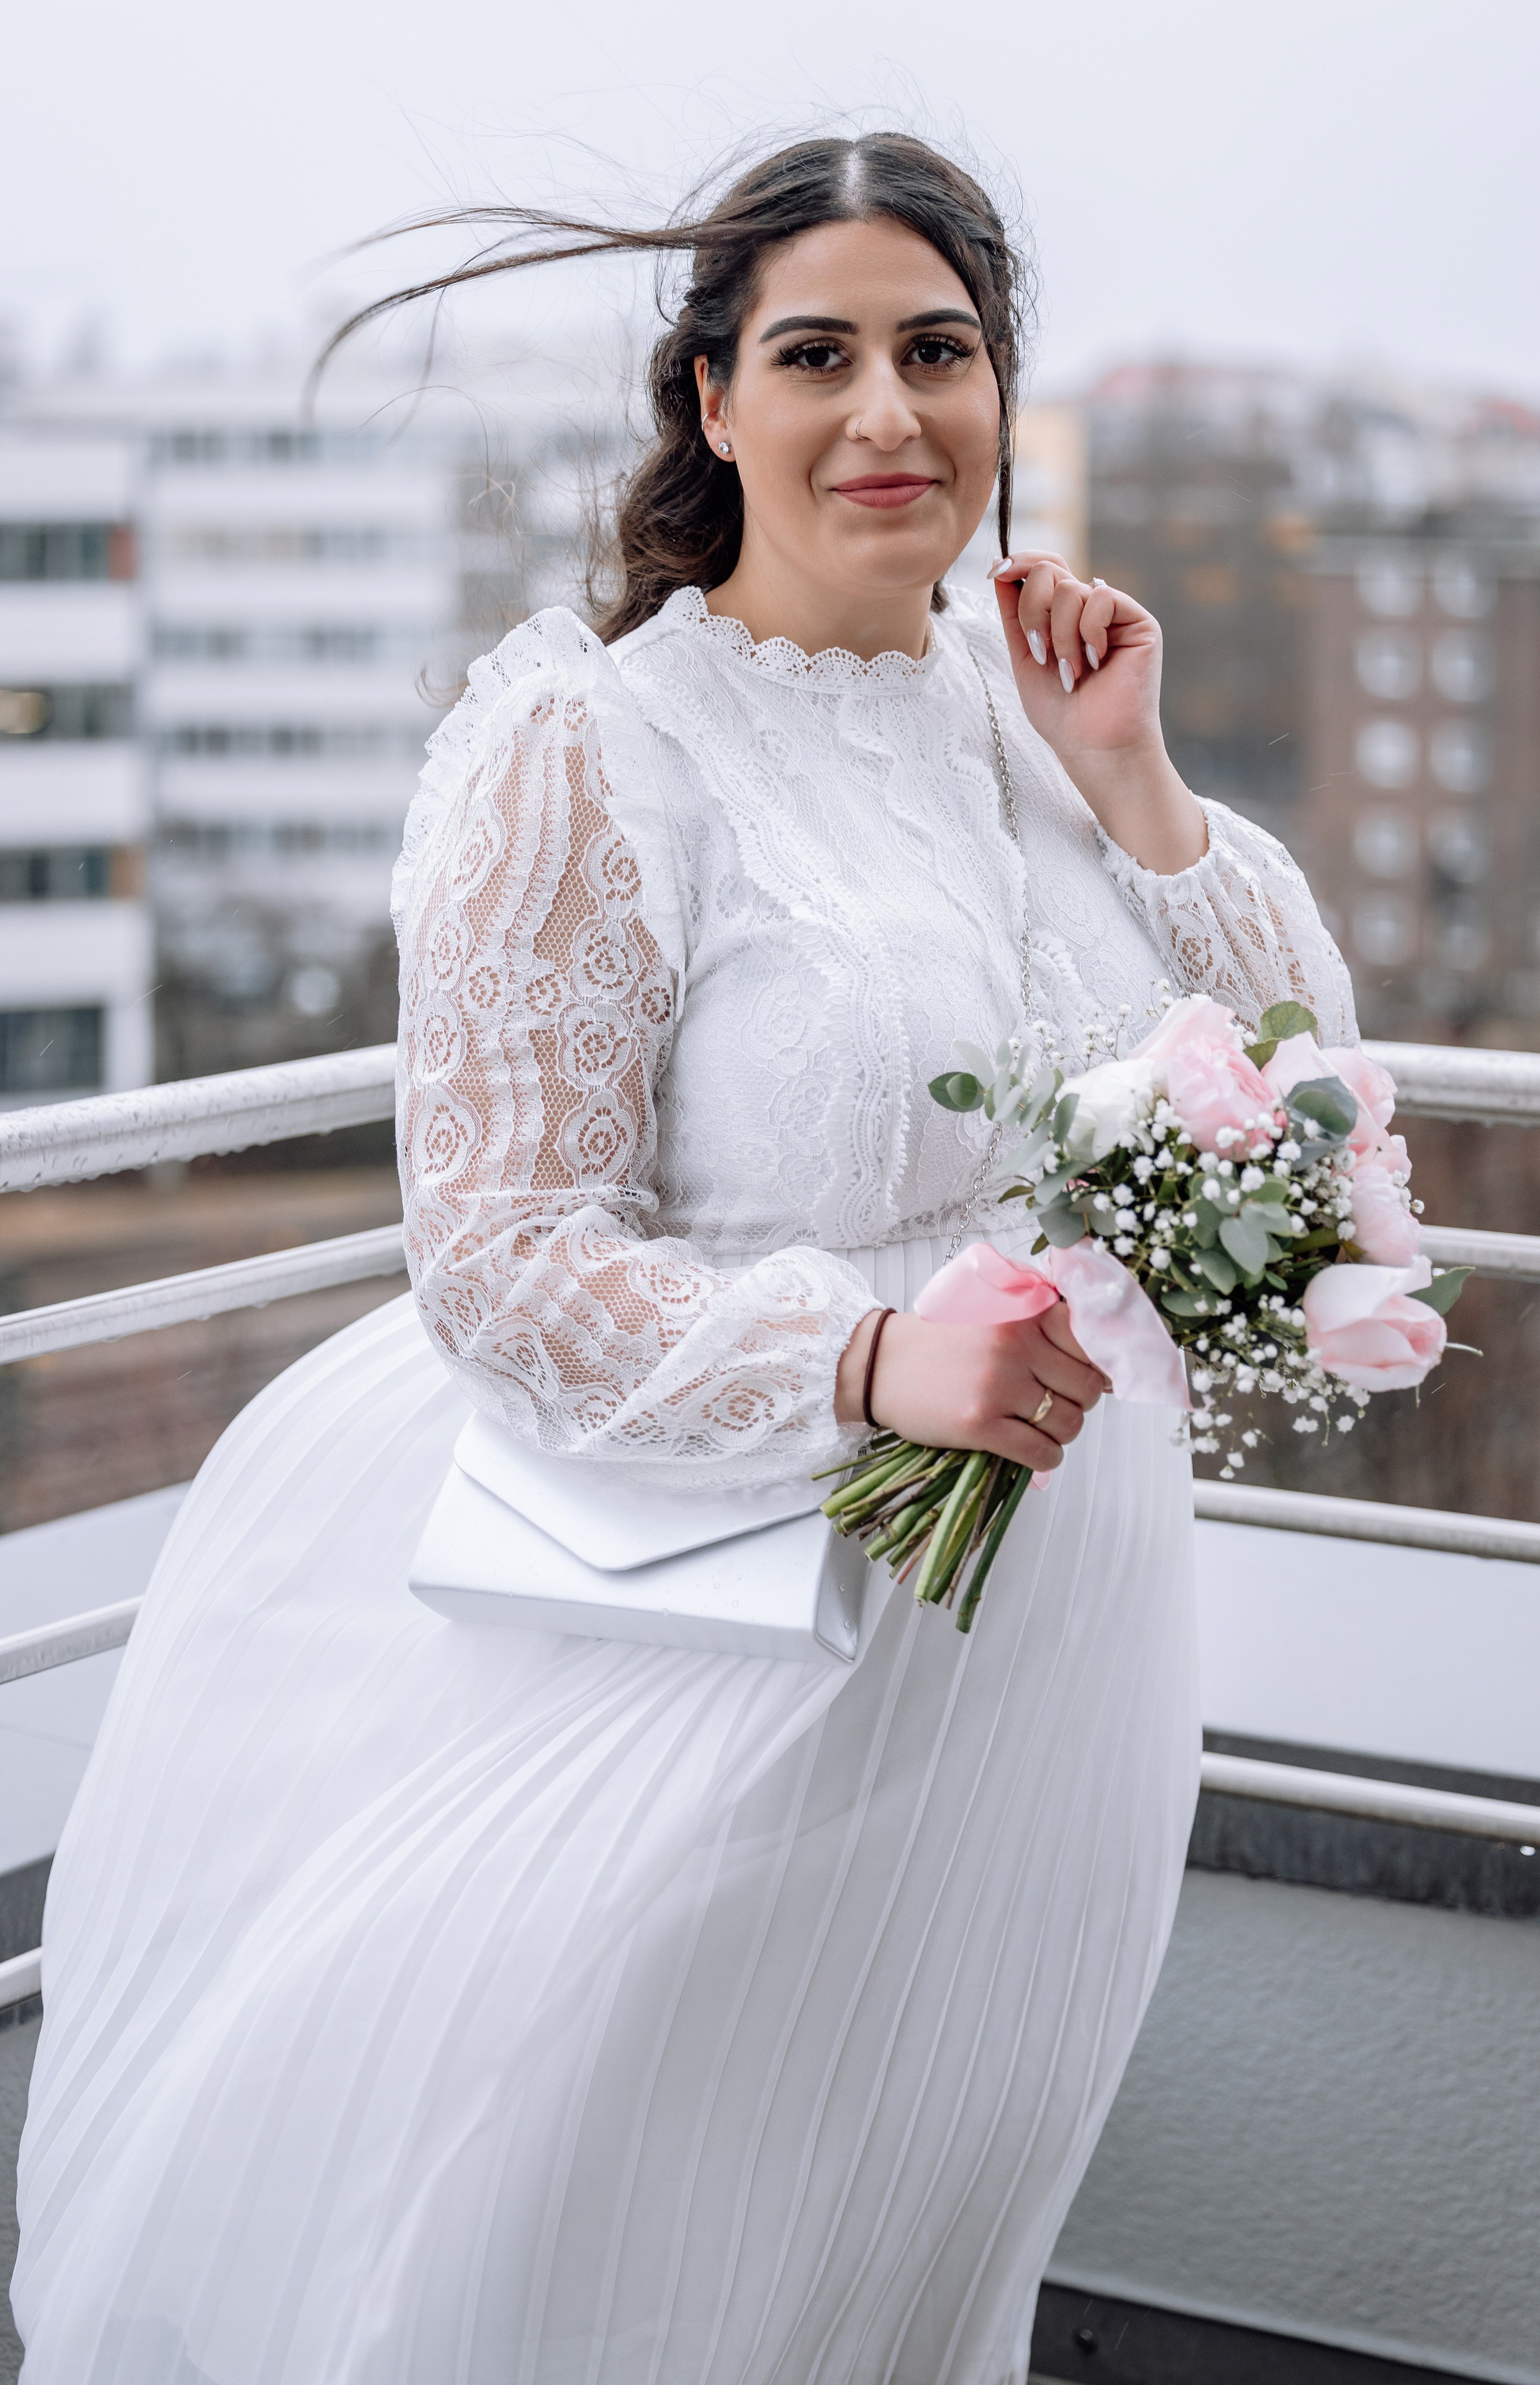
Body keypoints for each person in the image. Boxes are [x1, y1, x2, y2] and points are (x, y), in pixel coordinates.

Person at [14, 133, 1355, 2384]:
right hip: (719, 1634)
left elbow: (1304, 1099)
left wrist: (1136, 778)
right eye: (815, 354)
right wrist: (861, 1366)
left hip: (1047, 1659)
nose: (887, 412)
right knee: (630, 2243)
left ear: (1005, 394)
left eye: (940, 353)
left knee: (905, 2231)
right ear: (712, 403)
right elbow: (501, 1254)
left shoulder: (1032, 714)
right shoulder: (593, 747)